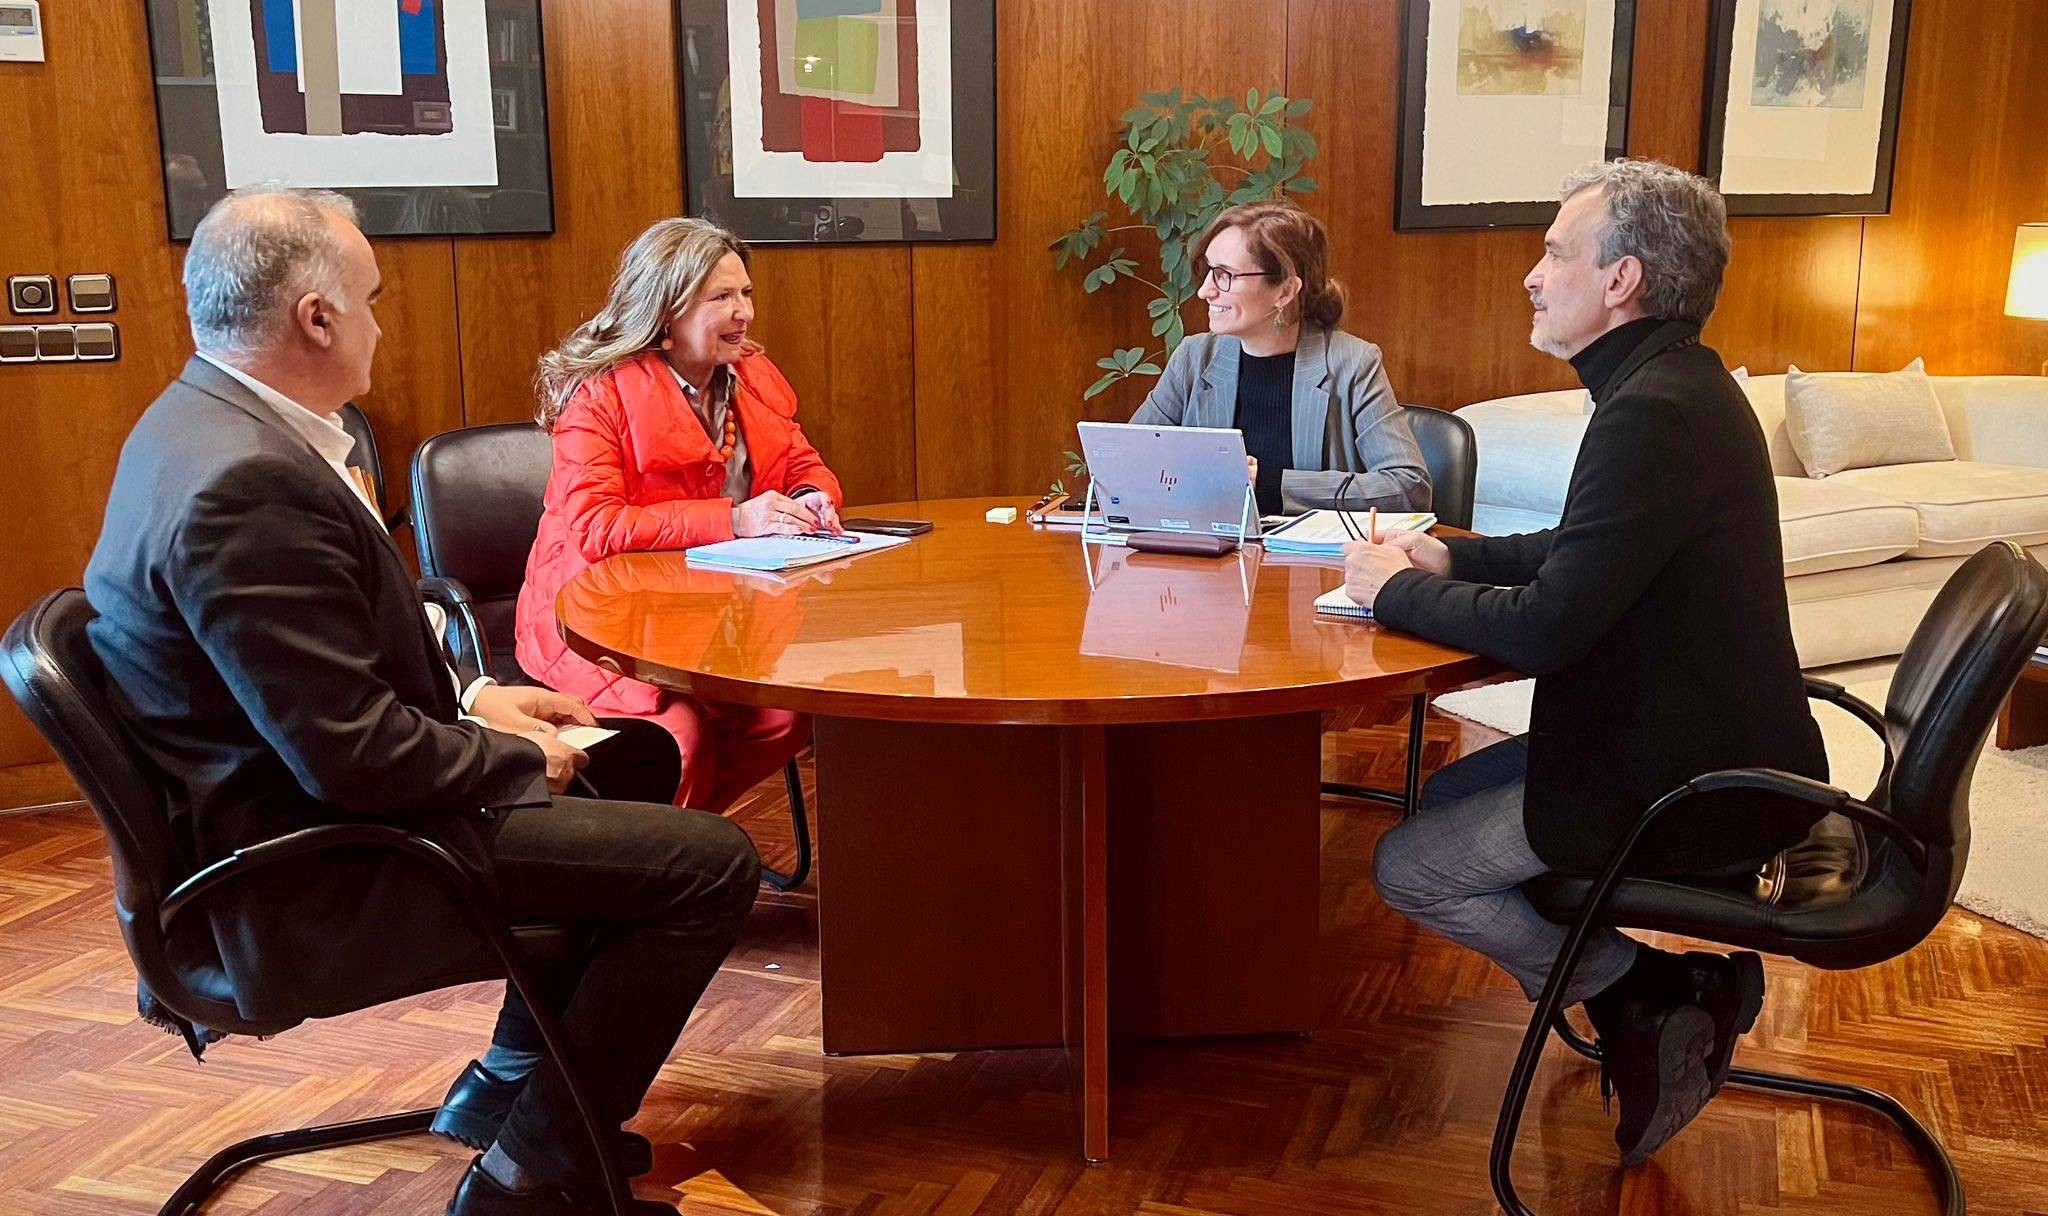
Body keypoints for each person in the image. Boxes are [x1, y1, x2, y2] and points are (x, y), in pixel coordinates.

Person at [84, 187, 757, 1216]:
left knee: (635, 774)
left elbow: (315, 676)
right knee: (708, 864)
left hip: (301, 811)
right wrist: (518, 761)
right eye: (371, 297)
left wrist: (480, 696)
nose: (379, 321)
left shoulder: (191, 426)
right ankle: (531, 1173)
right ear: (316, 317)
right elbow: (350, 756)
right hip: (318, 866)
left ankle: (505, 1097)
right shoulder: (246, 487)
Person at [1337, 160, 1829, 1163]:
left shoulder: (1651, 408)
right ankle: (1650, 992)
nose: (1530, 274)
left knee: (1407, 865)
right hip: (1689, 737)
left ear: (1620, 280)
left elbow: (1554, 623)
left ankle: (1644, 989)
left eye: (1553, 251)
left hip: (1689, 778)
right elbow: (1589, 545)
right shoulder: (1675, 382)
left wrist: (1388, 590)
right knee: (1437, 803)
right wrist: (1452, 554)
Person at [515, 218, 839, 814]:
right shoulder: (599, 395)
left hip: (715, 614)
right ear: (665, 312)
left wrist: (816, 494)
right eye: (721, 297)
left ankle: (686, 843)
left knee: (783, 716)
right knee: (682, 738)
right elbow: (597, 525)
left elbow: (802, 461)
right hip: (596, 622)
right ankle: (666, 869)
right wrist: (735, 520)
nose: (743, 312)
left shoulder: (753, 375)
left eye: (746, 293)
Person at [1130, 200, 1430, 517]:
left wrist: (1269, 485)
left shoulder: (1353, 364)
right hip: (1208, 556)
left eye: (1225, 275)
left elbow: (1409, 487)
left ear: (1284, 291)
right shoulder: (1194, 357)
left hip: (1310, 563)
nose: (1205, 291)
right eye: (1208, 271)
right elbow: (1129, 461)